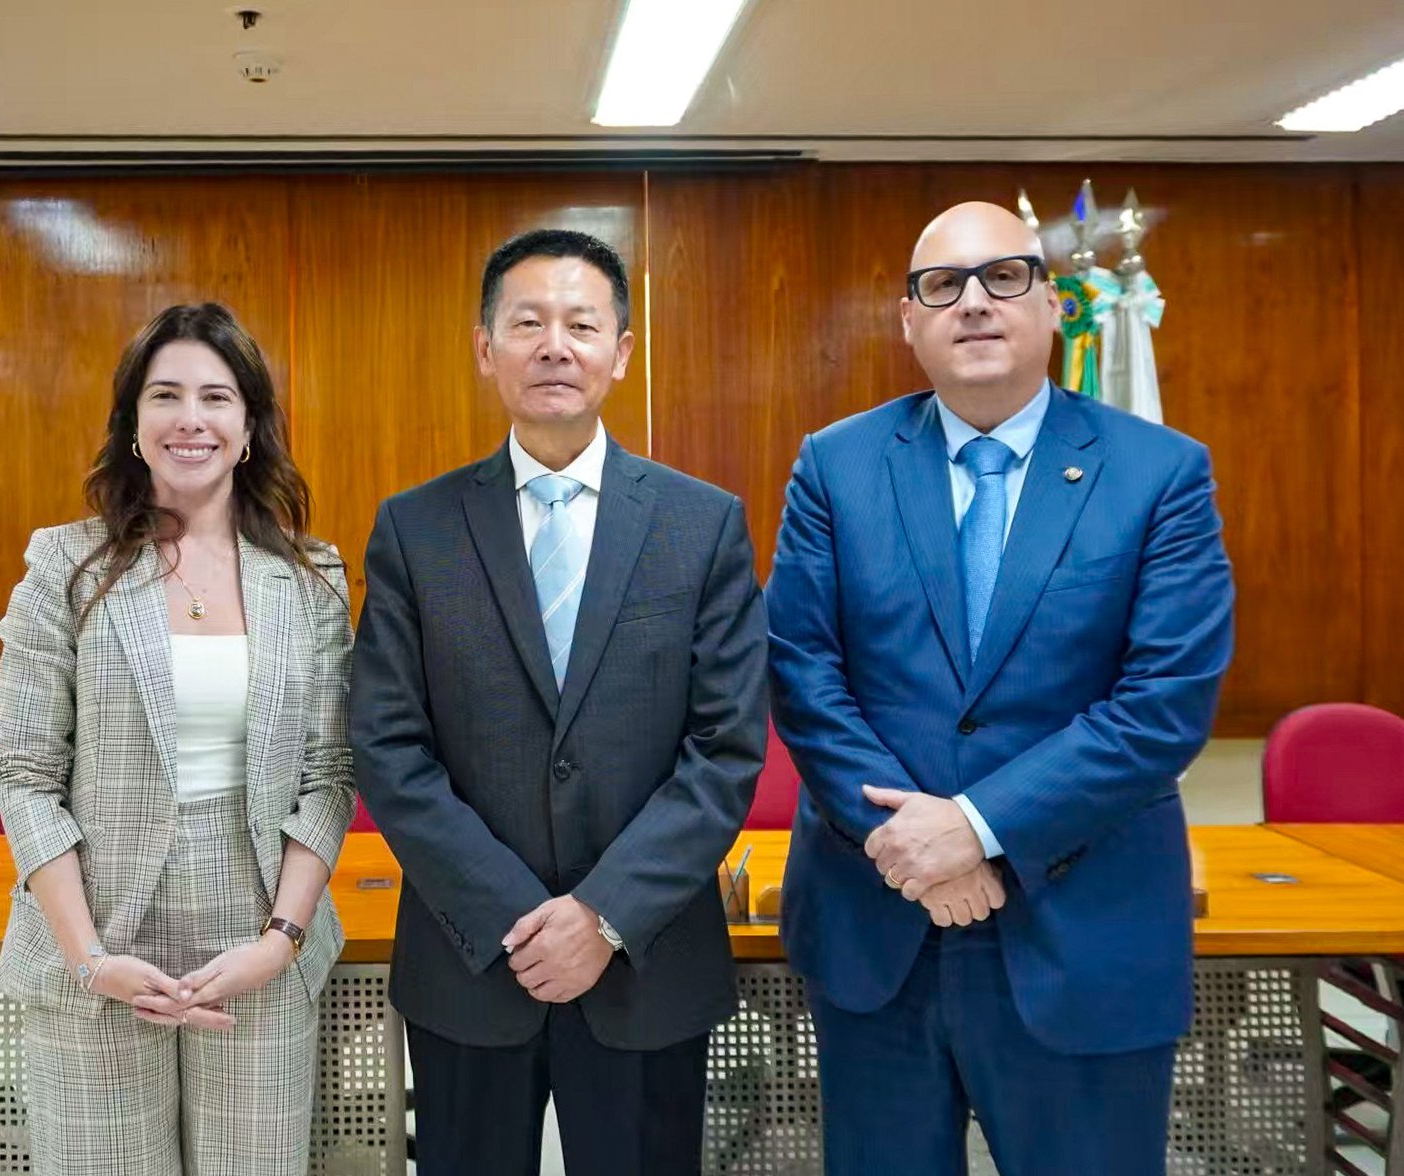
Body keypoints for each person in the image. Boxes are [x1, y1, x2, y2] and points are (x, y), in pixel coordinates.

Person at [766, 202, 1235, 1175]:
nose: (973, 303)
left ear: (1054, 302)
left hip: (1085, 927)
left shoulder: (1161, 474)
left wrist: (975, 828)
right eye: (943, 285)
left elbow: (1164, 703)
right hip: (877, 923)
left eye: (1004, 278)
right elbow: (804, 674)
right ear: (909, 322)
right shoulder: (836, 465)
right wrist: (916, 846)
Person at [350, 228, 768, 1175]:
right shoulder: (417, 529)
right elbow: (388, 744)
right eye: (527, 321)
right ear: (484, 346)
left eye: (582, 324)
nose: (554, 345)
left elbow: (726, 746)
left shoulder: (701, 525)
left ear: (622, 352)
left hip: (646, 958)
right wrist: (512, 911)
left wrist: (603, 915)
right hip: (470, 958)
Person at [0, 302, 355, 1174]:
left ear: (251, 427)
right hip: (99, 948)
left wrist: (279, 941)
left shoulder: (310, 579)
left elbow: (331, 775)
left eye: (218, 397)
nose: (192, 418)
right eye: (167, 395)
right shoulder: (64, 568)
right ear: (133, 424)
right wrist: (90, 959)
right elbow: (24, 774)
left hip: (260, 949)